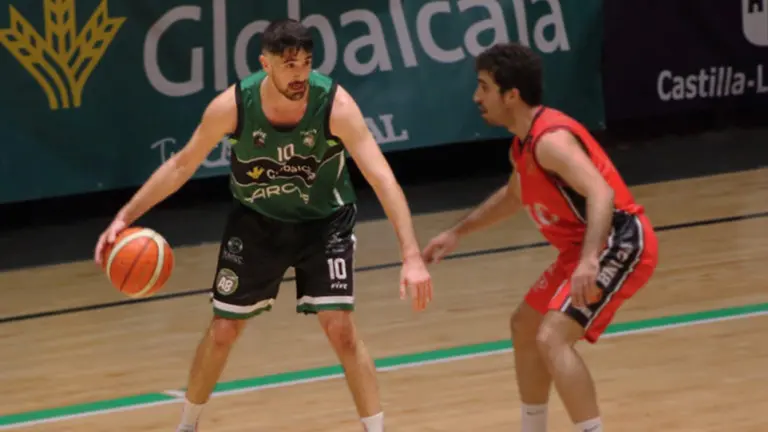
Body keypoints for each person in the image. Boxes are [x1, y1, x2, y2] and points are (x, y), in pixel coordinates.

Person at [94, 18, 433, 432]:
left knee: (340, 329)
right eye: (289, 64)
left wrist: (411, 256)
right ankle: (187, 425)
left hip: (325, 222)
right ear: (265, 64)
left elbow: (383, 178)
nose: (300, 74)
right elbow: (182, 165)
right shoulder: (233, 106)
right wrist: (124, 216)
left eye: (306, 63)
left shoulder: (335, 106)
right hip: (257, 221)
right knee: (223, 331)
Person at [422, 42, 658, 432]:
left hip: (619, 242)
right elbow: (515, 195)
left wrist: (589, 260)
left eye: (483, 87)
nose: (476, 97)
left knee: (552, 338)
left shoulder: (551, 141)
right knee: (525, 326)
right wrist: (457, 232)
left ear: (511, 95)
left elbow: (601, 193)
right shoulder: (524, 145)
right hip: (581, 247)